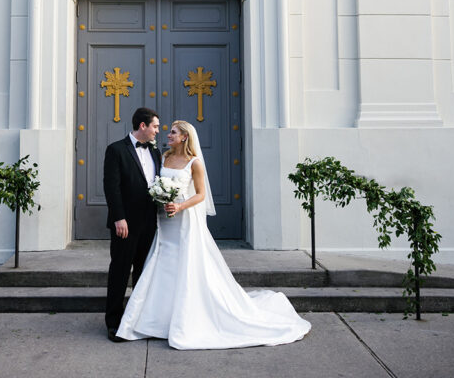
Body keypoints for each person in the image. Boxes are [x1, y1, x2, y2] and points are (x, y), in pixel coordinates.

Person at [115, 119, 311, 350]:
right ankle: (156, 321)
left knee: (185, 265)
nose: (168, 135)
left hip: (183, 219)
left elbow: (200, 195)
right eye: (167, 132)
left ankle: (184, 319)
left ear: (185, 137)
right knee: (163, 264)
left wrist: (180, 206)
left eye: (173, 132)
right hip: (164, 221)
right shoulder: (164, 157)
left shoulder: (194, 163)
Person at [103, 106, 162, 342]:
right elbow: (111, 186)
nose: (158, 131)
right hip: (125, 224)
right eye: (155, 126)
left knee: (142, 273)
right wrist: (119, 217)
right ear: (142, 126)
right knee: (119, 272)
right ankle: (114, 323)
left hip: (150, 223)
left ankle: (137, 319)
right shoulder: (116, 150)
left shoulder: (156, 152)